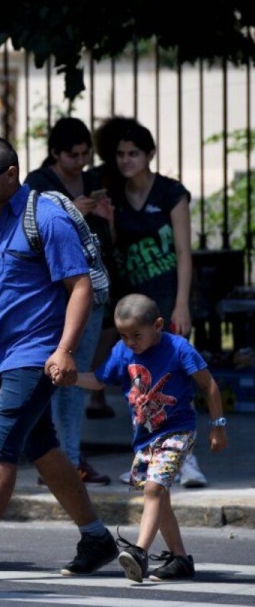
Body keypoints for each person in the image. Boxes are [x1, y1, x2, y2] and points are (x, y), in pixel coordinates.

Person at [0, 136, 118, 581]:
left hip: (35, 355)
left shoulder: (46, 216)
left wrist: (64, 349)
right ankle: (96, 537)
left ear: (11, 174)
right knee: (41, 447)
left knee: (1, 446)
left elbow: (79, 286)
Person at [71, 293, 228, 582]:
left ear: (158, 325)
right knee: (159, 497)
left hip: (178, 431)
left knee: (154, 490)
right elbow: (99, 380)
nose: (130, 342)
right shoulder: (122, 351)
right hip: (145, 438)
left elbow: (209, 385)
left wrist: (217, 426)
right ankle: (180, 560)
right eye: (123, 335)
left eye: (136, 335)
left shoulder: (178, 348)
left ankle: (140, 552)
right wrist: (72, 377)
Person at [109, 120, 207, 489]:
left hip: (166, 299)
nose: (126, 160)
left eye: (133, 153)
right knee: (139, 387)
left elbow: (183, 252)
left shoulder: (170, 193)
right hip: (132, 303)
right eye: (121, 154)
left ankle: (187, 460)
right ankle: (146, 461)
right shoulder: (115, 196)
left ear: (149, 154)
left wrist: (182, 304)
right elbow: (114, 249)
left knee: (176, 380)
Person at [24, 117, 113, 485]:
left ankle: (69, 458)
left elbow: (108, 243)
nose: (80, 162)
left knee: (74, 376)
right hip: (54, 291)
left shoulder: (92, 181)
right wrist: (73, 210)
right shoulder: (38, 184)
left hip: (90, 287)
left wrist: (106, 216)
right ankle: (58, 460)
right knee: (52, 375)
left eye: (84, 154)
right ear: (55, 154)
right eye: (72, 155)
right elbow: (32, 233)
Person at [85, 116, 136, 420]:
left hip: (105, 259)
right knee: (108, 330)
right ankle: (98, 394)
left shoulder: (95, 177)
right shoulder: (115, 179)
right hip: (118, 260)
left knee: (107, 330)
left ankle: (98, 393)